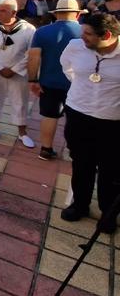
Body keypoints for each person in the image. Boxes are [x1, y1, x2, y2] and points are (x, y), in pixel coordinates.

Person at [58, 13, 120, 230]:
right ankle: (80, 204)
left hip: (112, 121)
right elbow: (67, 66)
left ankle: (108, 212)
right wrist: (82, 88)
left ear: (108, 35)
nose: (82, 36)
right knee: (81, 162)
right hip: (78, 114)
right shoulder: (76, 46)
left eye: (88, 34)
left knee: (109, 170)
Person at [27, 0, 84, 161]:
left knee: (49, 116)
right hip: (78, 84)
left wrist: (33, 80)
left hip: (49, 82)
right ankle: (74, 152)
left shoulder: (42, 32)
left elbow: (33, 57)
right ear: (78, 14)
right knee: (75, 120)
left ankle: (46, 149)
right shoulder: (85, 32)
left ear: (56, 14)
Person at [0, 0, 36, 147]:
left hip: (18, 73)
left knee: (20, 101)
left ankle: (22, 132)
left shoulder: (28, 29)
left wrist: (15, 69)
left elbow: (31, 53)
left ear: (14, 12)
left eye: (3, 11)